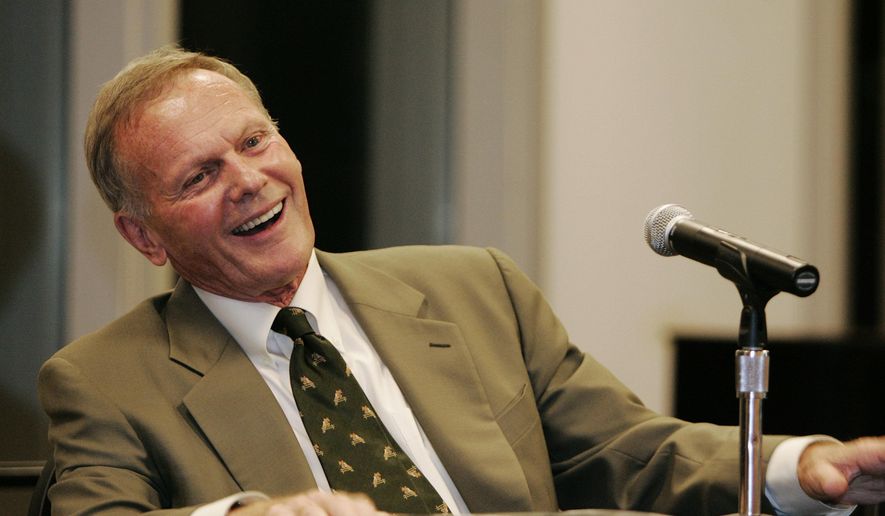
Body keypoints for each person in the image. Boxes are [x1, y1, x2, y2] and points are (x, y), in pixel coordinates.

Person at [37, 45, 885, 516]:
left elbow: (628, 451)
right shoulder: (103, 381)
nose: (248, 180)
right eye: (199, 176)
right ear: (142, 237)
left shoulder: (474, 289)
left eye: (255, 143)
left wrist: (801, 465)